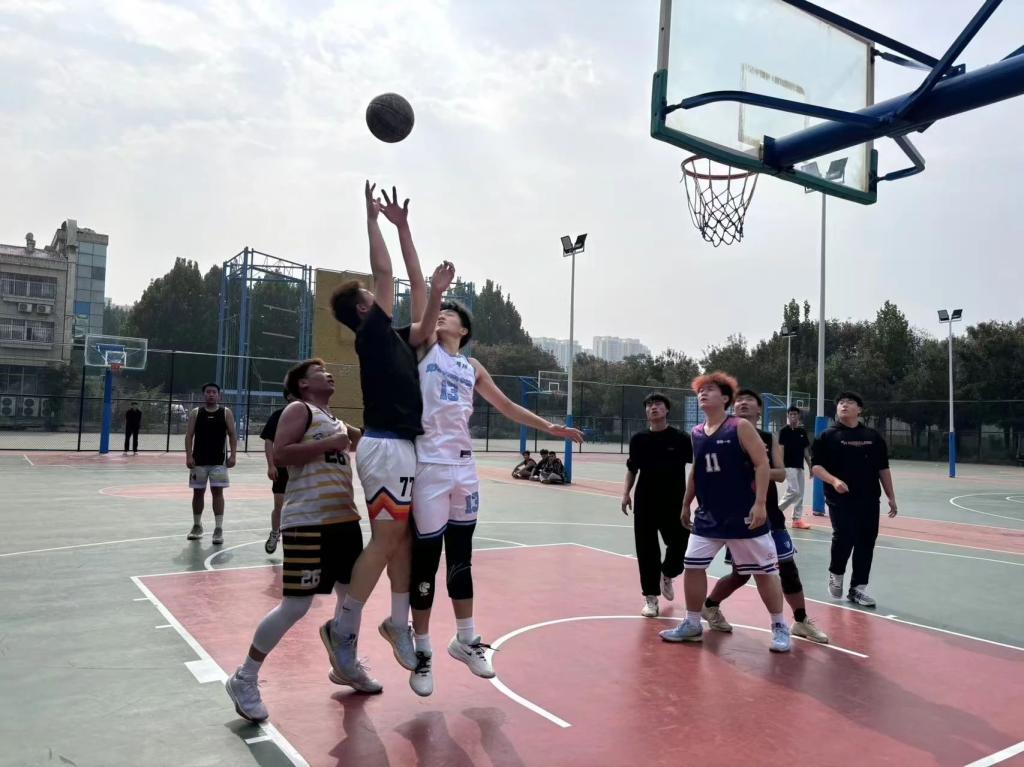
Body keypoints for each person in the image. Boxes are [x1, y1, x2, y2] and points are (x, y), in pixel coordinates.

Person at [406, 299, 583, 696]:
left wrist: (550, 427)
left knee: (461, 556)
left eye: (449, 314)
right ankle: (422, 649)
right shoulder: (426, 350)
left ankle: (466, 640)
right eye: (438, 312)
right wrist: (436, 289)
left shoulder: (472, 367)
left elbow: (506, 405)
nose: (440, 315)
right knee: (426, 559)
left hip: (464, 468)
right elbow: (422, 304)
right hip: (430, 465)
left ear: (464, 330)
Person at [321, 182, 451, 689]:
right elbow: (385, 272)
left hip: (402, 447)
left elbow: (422, 307)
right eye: (372, 297)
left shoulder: (397, 339)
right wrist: (375, 220)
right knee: (387, 538)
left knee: (403, 541)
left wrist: (407, 230)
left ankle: (397, 622)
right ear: (363, 309)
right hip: (386, 445)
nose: (380, 295)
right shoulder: (372, 333)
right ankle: (343, 628)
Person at [225, 359, 368, 722]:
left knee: (352, 597)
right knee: (296, 606)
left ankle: (346, 664)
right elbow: (282, 453)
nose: (329, 374)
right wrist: (330, 443)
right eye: (320, 372)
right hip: (309, 522)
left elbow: (369, 440)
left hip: (345, 520)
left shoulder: (335, 420)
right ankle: (245, 677)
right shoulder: (299, 410)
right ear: (304, 384)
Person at [659, 372, 791, 653]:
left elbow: (762, 465)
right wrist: (686, 503)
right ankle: (692, 623)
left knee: (764, 572)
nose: (703, 393)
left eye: (710, 389)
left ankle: (780, 626)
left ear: (726, 398)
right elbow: (697, 470)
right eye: (700, 390)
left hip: (743, 515)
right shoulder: (697, 433)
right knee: (693, 566)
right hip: (708, 515)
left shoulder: (740, 426)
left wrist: (759, 503)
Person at [700, 390, 829, 643]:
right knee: (741, 574)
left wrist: (755, 471)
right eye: (739, 400)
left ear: (759, 410)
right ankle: (709, 605)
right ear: (732, 408)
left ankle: (800, 621)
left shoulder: (769, 438)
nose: (743, 403)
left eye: (749, 400)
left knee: (788, 568)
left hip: (769, 513)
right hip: (738, 517)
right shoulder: (722, 437)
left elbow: (780, 474)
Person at [812, 391, 897, 607]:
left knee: (866, 541)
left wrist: (891, 496)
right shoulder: (827, 436)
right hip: (839, 498)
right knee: (844, 535)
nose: (844, 405)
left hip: (869, 497)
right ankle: (836, 573)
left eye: (849, 402)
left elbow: (883, 468)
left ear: (859, 409)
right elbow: (816, 467)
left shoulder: (873, 436)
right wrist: (834, 481)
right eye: (841, 403)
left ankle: (858, 588)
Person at [622, 392, 692, 618]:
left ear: (667, 409)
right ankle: (651, 598)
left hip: (675, 501)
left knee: (681, 543)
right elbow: (632, 469)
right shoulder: (639, 439)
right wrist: (626, 493)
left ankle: (667, 573)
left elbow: (696, 469)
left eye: (658, 404)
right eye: (649, 405)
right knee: (646, 550)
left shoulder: (681, 439)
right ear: (646, 411)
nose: (653, 407)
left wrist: (692, 500)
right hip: (645, 501)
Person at [184, 383, 237, 545]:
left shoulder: (226, 412)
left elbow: (232, 435)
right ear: (204, 395)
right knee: (197, 493)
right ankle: (197, 525)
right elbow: (189, 435)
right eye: (208, 392)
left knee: (217, 493)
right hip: (198, 462)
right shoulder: (196, 413)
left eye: (214, 392)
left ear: (219, 395)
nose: (211, 394)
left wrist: (233, 455)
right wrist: (189, 456)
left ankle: (218, 528)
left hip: (218, 462)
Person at [259, 389, 295, 554]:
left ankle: (295, 535)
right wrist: (271, 465)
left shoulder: (308, 415)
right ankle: (275, 533)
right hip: (281, 467)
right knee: (279, 505)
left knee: (299, 506)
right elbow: (268, 441)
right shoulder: (278, 415)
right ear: (289, 396)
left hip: (301, 468)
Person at [778, 405, 814, 528]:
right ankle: (775, 511)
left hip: (800, 466)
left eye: (795, 414)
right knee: (794, 490)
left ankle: (797, 520)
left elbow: (805, 451)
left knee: (800, 494)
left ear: (799, 416)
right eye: (791, 414)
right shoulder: (784, 431)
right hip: (788, 465)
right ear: (788, 416)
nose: (793, 416)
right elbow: (780, 448)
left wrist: (810, 466)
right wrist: (780, 465)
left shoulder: (802, 432)